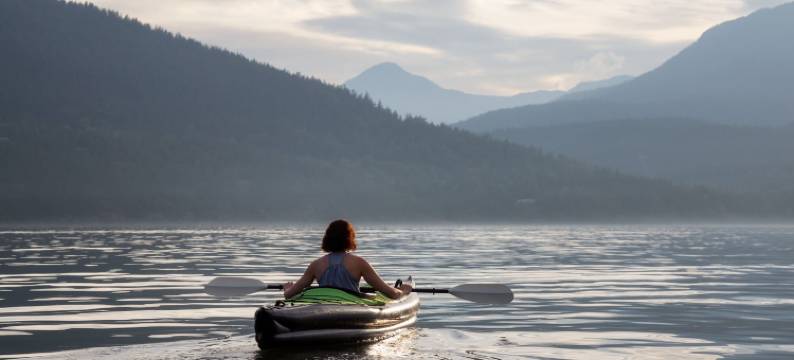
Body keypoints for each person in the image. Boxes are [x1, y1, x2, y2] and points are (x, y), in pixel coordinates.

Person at [283, 219, 413, 300]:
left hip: (323, 306)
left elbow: (289, 295)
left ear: (327, 239)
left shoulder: (316, 265)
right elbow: (390, 293)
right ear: (350, 238)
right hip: (351, 306)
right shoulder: (359, 263)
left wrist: (288, 288)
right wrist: (404, 292)